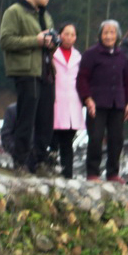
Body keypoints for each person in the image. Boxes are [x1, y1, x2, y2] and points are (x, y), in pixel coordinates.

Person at [0, 0, 56, 171]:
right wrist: (36, 40)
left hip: (46, 70)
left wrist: (51, 42)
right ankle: (21, 162)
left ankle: (39, 161)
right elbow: (5, 40)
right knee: (26, 117)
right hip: (26, 71)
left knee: (45, 119)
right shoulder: (14, 12)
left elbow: (47, 40)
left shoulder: (45, 15)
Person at [79, 19, 128, 181]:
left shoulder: (121, 56)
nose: (109, 36)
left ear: (117, 36)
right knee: (95, 138)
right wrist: (87, 99)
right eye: (106, 33)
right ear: (100, 35)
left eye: (112, 33)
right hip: (97, 103)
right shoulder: (91, 54)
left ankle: (113, 173)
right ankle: (93, 172)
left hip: (117, 103)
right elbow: (82, 79)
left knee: (116, 139)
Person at [49, 23, 84, 180]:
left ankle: (67, 173)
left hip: (72, 101)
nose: (69, 37)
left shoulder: (78, 57)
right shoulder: (52, 53)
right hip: (55, 99)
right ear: (60, 34)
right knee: (53, 137)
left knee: (68, 140)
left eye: (72, 34)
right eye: (66, 33)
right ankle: (49, 169)